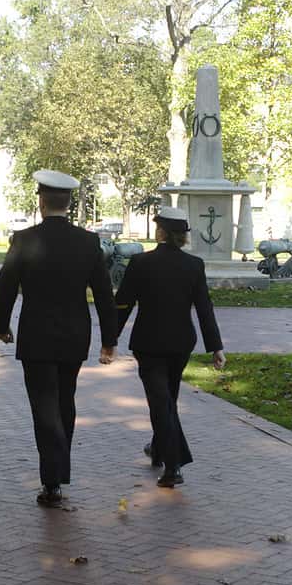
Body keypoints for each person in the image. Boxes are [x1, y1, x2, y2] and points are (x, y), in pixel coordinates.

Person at [0, 169, 118, 508]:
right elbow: (104, 294)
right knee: (66, 401)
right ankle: (59, 470)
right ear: (69, 202)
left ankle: (51, 480)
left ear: (41, 201)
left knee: (44, 406)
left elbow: (5, 285)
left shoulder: (24, 239)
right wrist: (110, 339)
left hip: (36, 334)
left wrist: (1, 325)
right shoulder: (88, 242)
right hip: (75, 334)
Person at [115, 205, 227, 488]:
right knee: (167, 398)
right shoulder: (194, 265)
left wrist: (110, 338)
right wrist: (216, 347)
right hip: (181, 344)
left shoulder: (140, 263)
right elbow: (204, 308)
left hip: (149, 343)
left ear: (160, 231)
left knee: (160, 401)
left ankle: (173, 465)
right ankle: (158, 448)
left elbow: (124, 303)